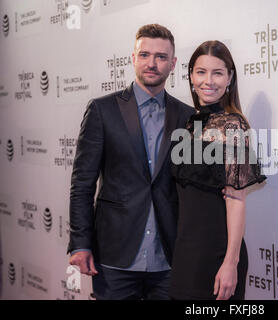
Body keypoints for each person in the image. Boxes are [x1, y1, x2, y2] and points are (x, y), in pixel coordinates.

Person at [67, 24, 194, 300]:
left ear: (173, 64)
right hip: (115, 257)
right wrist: (80, 243)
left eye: (161, 57)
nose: (152, 63)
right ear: (132, 58)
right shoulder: (102, 110)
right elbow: (82, 184)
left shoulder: (187, 117)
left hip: (170, 259)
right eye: (145, 54)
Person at [169, 40, 266, 300]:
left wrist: (230, 262)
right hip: (185, 252)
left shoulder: (233, 126)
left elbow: (236, 200)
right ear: (190, 76)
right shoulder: (191, 122)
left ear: (230, 78)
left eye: (218, 73)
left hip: (217, 254)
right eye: (201, 72)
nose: (208, 81)